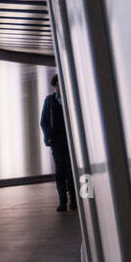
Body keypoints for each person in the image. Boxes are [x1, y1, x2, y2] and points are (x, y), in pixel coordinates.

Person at [40, 74, 77, 212]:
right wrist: (48, 137)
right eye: (58, 84)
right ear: (55, 86)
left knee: (74, 170)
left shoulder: (72, 98)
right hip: (57, 141)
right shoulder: (50, 100)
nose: (59, 86)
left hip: (73, 140)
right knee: (60, 170)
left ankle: (75, 200)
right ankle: (63, 201)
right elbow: (44, 121)